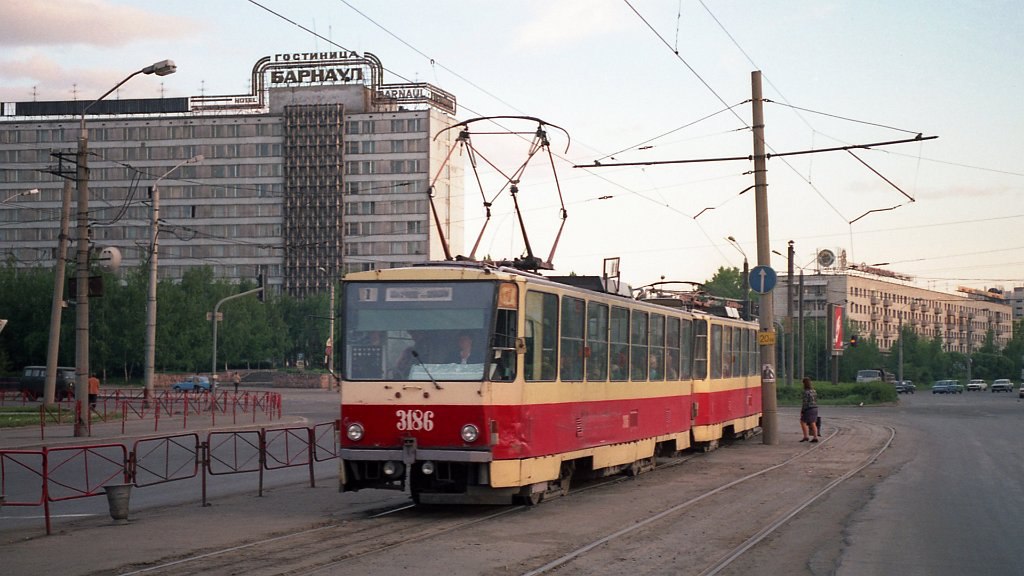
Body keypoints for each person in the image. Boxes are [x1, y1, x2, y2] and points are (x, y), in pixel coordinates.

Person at [799, 377, 819, 443]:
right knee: (813, 423)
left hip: (808, 409)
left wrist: (802, 411)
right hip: (815, 408)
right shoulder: (814, 391)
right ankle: (815, 437)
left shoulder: (805, 392)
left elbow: (805, 402)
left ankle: (806, 436)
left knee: (803, 422)